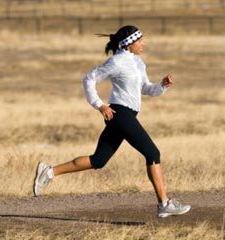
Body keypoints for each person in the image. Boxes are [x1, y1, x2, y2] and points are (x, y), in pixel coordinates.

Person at [33, 25, 190, 218]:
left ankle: (49, 172)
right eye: (140, 41)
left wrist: (162, 86)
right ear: (128, 43)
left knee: (98, 160)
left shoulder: (139, 63)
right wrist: (100, 105)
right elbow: (89, 79)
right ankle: (164, 204)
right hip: (119, 114)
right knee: (153, 153)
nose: (144, 44)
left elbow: (146, 89)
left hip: (127, 116)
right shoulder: (116, 62)